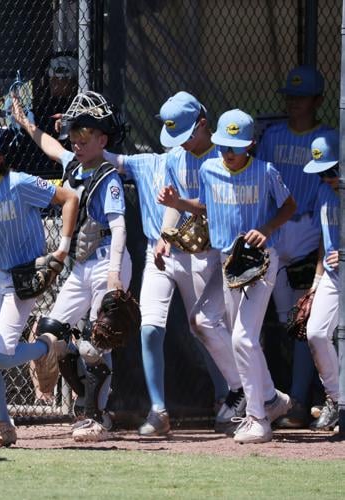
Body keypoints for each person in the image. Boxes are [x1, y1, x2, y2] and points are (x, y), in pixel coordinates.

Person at [102, 92, 236, 436]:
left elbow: (217, 207)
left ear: (203, 124)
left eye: (186, 134)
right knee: (150, 326)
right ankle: (158, 410)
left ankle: (233, 396)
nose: (180, 144)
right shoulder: (176, 157)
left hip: (205, 254)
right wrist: (165, 234)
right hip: (165, 253)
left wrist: (180, 206)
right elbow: (172, 205)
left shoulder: (225, 156)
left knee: (204, 329)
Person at [158, 109, 296, 443]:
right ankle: (268, 399)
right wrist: (179, 203)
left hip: (258, 261)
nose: (227, 153)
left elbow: (288, 206)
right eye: (223, 145)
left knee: (243, 338)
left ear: (249, 144)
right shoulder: (209, 168)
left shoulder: (265, 171)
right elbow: (206, 207)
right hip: (226, 260)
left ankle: (257, 418)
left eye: (234, 147)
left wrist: (266, 228)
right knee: (203, 321)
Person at [12, 91, 132, 441]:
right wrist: (26, 124)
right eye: (74, 138)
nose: (76, 144)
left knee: (96, 343)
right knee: (54, 334)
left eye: (84, 138)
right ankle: (87, 404)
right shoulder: (74, 166)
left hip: (108, 261)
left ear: (102, 140)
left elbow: (120, 226)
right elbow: (50, 145)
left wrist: (114, 273)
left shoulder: (108, 175)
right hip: (81, 267)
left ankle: (97, 418)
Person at [0, 123, 78, 448]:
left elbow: (69, 198)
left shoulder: (19, 184)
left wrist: (63, 247)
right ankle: (3, 426)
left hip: (25, 275)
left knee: (1, 354)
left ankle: (49, 346)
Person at [256, 65, 334, 428]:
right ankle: (266, 400)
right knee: (262, 318)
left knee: (302, 322)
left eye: (301, 97)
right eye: (290, 97)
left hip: (307, 231)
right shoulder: (272, 136)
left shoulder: (329, 139)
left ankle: (301, 401)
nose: (294, 103)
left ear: (318, 100)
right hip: (274, 231)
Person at [301, 131, 340, 431]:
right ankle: (336, 400)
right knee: (315, 333)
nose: (326, 176)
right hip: (331, 274)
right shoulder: (325, 191)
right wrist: (316, 280)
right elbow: (324, 243)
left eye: (331, 169)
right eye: (321, 171)